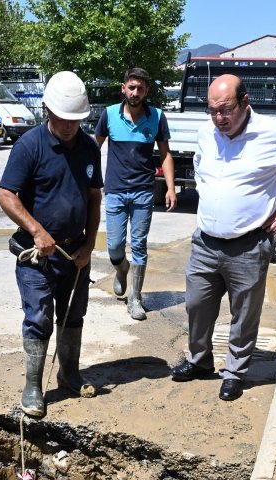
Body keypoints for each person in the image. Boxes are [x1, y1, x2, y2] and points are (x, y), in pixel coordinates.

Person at [171, 74, 276, 401]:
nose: (219, 119)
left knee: (244, 313)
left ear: (245, 102)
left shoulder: (274, 136)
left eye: (226, 110)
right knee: (196, 305)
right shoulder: (206, 133)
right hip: (205, 241)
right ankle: (199, 361)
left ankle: (235, 373)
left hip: (249, 244)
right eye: (212, 111)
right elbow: (199, 167)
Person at [0, 71, 103, 418]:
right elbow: (6, 194)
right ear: (47, 110)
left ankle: (69, 373)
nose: (71, 125)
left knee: (73, 315)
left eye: (76, 119)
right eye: (64, 118)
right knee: (39, 318)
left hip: (74, 254)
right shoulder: (29, 146)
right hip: (37, 257)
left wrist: (88, 244)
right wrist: (37, 230)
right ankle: (33, 385)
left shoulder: (89, 148)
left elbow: (93, 198)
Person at [94, 67, 176, 321]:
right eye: (131, 87)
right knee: (115, 247)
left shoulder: (157, 117)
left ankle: (135, 298)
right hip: (116, 191)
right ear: (123, 88)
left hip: (143, 192)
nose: (135, 92)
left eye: (140, 88)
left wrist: (171, 187)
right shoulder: (108, 115)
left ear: (146, 91)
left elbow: (165, 154)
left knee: (139, 245)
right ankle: (121, 270)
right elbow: (92, 148)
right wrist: (86, 180)